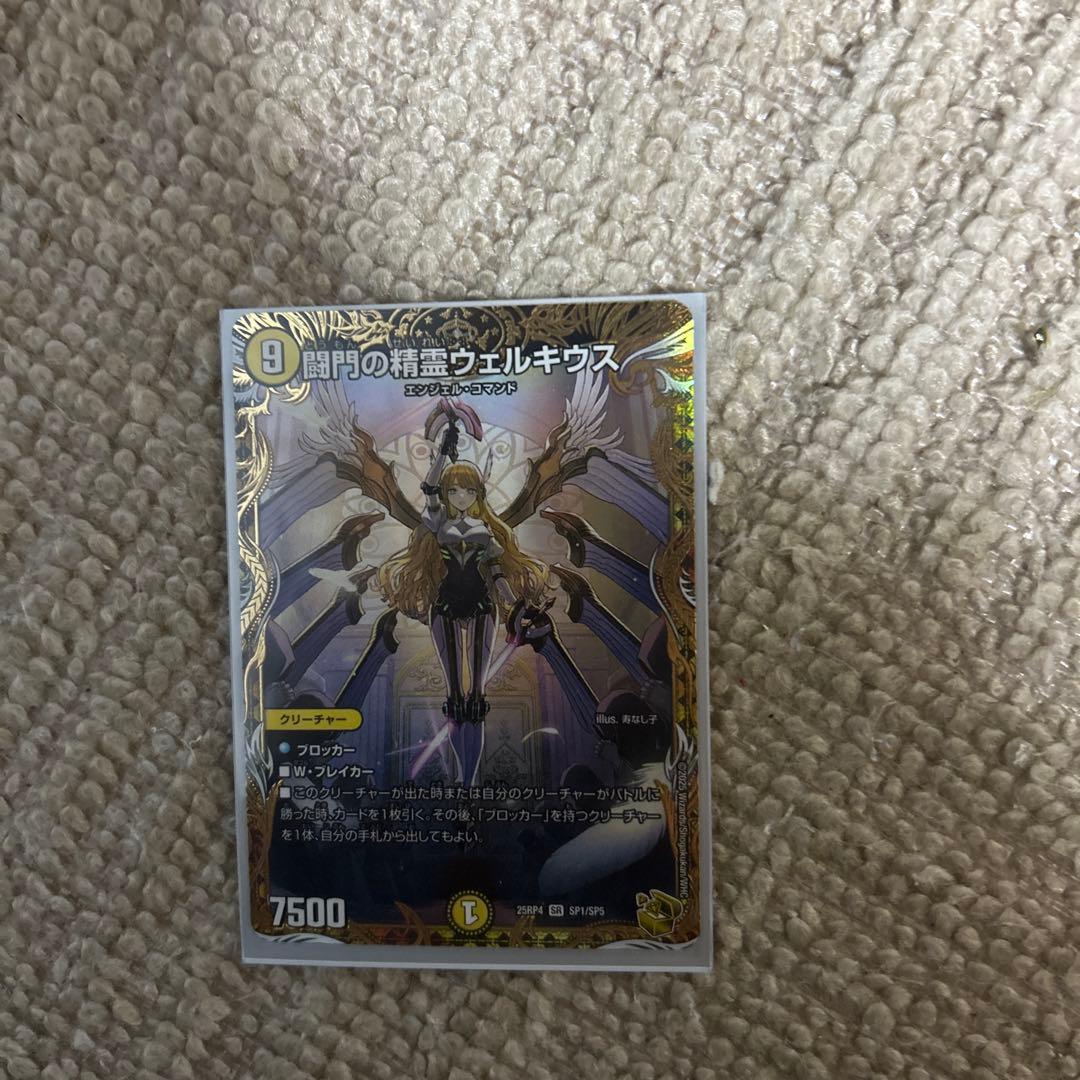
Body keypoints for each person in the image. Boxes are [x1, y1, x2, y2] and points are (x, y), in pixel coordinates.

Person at [377, 415, 548, 784]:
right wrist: (442, 452)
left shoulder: (486, 531)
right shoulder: (438, 524)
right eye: (454, 491)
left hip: (483, 606)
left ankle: (468, 781)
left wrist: (515, 606)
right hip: (445, 607)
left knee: (476, 697)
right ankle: (462, 780)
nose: (460, 497)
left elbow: (497, 573)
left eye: (468, 491)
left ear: (477, 494)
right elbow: (428, 488)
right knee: (456, 696)